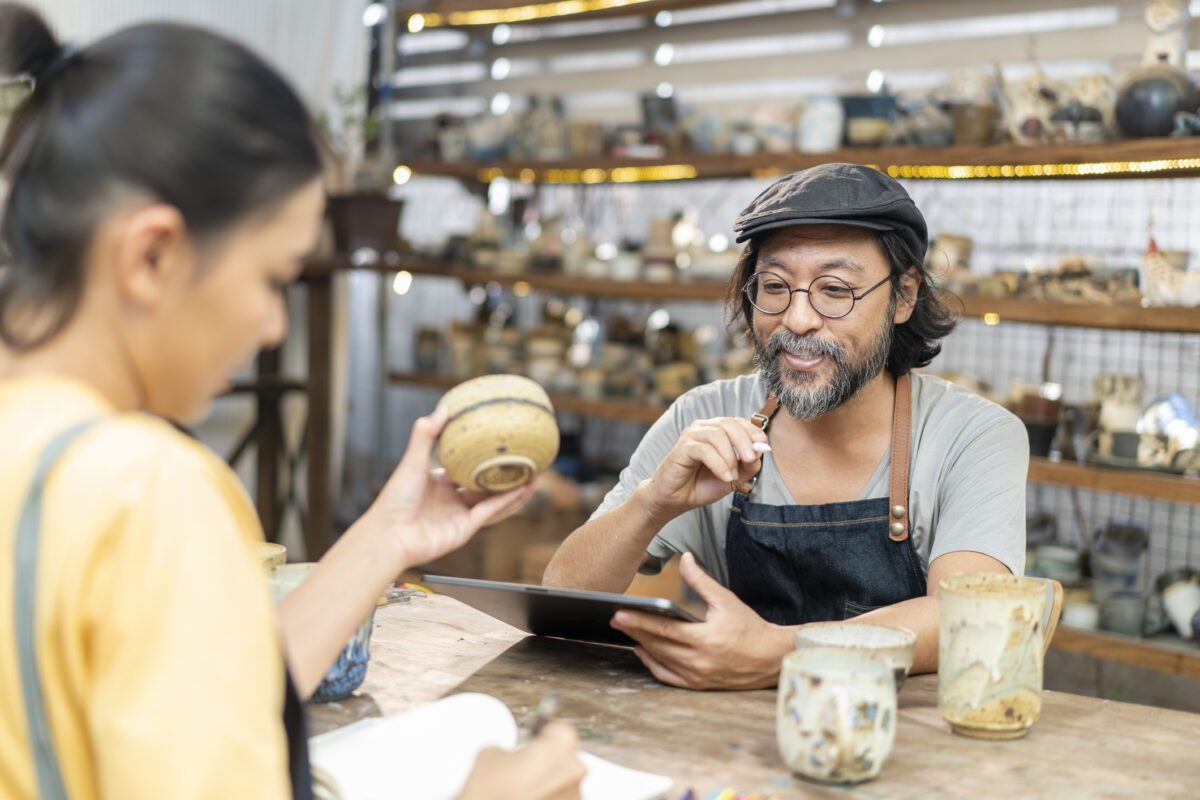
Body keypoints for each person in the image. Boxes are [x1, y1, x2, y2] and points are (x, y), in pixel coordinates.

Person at [0, 6, 584, 799]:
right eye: (272, 279)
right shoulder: (144, 488)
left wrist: (390, 534)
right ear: (152, 255)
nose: (276, 324)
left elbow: (210, 691)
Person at [544, 163, 1028, 690]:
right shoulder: (702, 417)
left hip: (904, 744)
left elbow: (968, 618)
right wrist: (651, 503)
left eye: (835, 289)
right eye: (774, 286)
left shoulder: (972, 436)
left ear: (904, 296)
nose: (797, 319)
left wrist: (779, 652)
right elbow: (566, 599)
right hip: (729, 740)